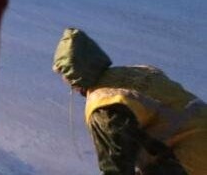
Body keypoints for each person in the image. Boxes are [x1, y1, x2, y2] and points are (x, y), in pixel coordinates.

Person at [53, 28, 206, 174]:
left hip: (192, 159)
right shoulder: (139, 71)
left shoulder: (103, 104)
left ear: (73, 75)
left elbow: (116, 167)